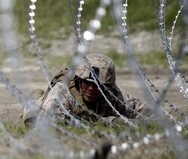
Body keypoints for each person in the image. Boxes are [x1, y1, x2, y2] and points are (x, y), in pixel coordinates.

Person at [22, 53, 152, 126]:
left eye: (98, 85)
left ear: (107, 87)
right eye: (87, 83)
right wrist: (107, 122)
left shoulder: (114, 94)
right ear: (79, 80)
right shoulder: (63, 92)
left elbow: (149, 113)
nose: (91, 88)